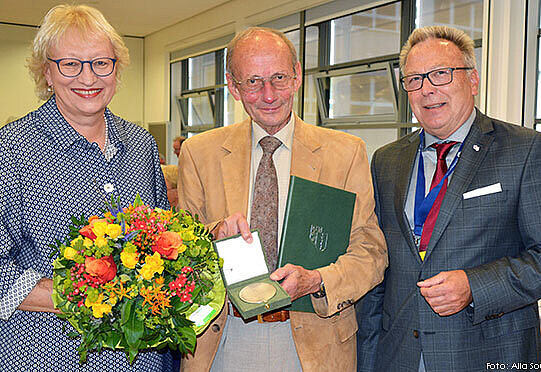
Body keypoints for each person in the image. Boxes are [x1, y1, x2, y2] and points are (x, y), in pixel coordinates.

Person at [177, 27, 387, 372]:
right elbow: (179, 249)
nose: (269, 94)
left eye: (278, 78)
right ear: (233, 87)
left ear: (298, 76)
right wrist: (213, 234)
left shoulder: (346, 153)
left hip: (315, 337)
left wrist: (317, 281)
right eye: (254, 82)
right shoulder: (199, 153)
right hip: (224, 338)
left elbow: (371, 253)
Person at [356, 25, 541, 372]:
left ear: (472, 80)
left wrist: (475, 286)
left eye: (441, 74)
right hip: (399, 357)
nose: (427, 90)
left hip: (488, 354)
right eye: (414, 79)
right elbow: (376, 268)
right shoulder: (386, 160)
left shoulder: (526, 150)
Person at [0, 5, 172, 371]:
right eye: (70, 64)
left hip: (140, 359)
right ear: (47, 71)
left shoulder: (140, 145)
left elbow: (163, 243)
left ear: (116, 68)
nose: (88, 77)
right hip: (50, 355)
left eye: (100, 63)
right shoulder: (12, 151)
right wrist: (84, 295)